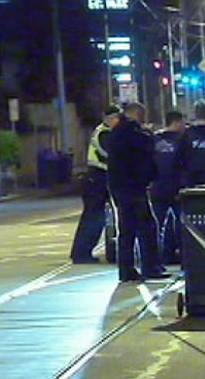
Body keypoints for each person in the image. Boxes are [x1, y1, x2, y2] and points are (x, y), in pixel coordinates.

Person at [106, 102, 167, 283]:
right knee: (144, 227)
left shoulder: (117, 133)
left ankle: (129, 269)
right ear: (136, 114)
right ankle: (148, 267)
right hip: (132, 188)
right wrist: (147, 134)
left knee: (128, 229)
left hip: (121, 187)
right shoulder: (132, 133)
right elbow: (145, 152)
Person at [69, 105, 121, 264]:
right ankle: (81, 253)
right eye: (116, 118)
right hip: (97, 179)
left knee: (95, 217)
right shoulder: (104, 134)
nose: (118, 122)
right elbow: (112, 154)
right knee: (93, 218)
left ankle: (81, 252)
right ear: (109, 119)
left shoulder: (105, 132)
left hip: (98, 179)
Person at [150, 109, 185, 265]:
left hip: (158, 188)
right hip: (178, 189)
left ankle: (158, 260)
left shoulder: (154, 140)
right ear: (176, 123)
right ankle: (185, 259)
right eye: (182, 122)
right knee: (182, 226)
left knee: (156, 226)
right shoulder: (184, 140)